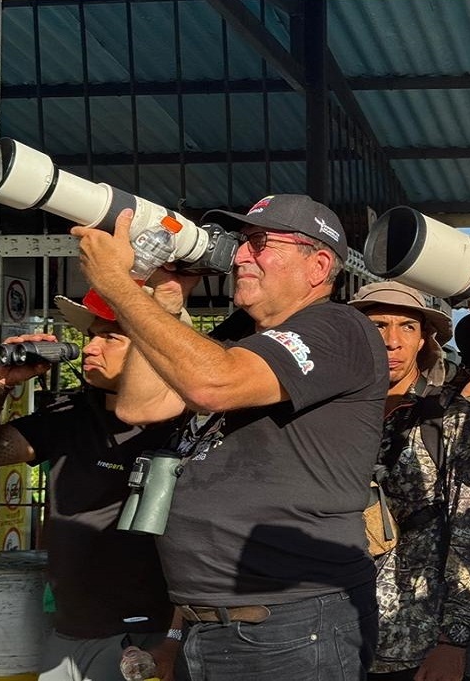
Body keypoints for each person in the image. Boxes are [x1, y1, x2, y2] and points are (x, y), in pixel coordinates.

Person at [71, 194, 389, 680]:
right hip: (210, 625)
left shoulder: (339, 328)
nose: (240, 255)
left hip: (292, 626)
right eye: (241, 242)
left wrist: (117, 284)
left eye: (260, 243)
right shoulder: (239, 338)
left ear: (318, 264)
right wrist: (165, 298)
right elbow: (142, 405)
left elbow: (212, 384)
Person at [0, 294, 185, 681]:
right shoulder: (73, 413)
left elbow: (204, 541)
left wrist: (172, 639)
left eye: (111, 337)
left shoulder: (186, 426)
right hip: (68, 632)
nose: (90, 347)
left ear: (156, 346)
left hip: (142, 638)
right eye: (91, 336)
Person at [350, 281, 470, 681]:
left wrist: (454, 641)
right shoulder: (330, 413)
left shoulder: (452, 417)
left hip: (416, 641)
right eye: (377, 326)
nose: (392, 341)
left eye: (407, 328)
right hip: (333, 636)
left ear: (423, 342)